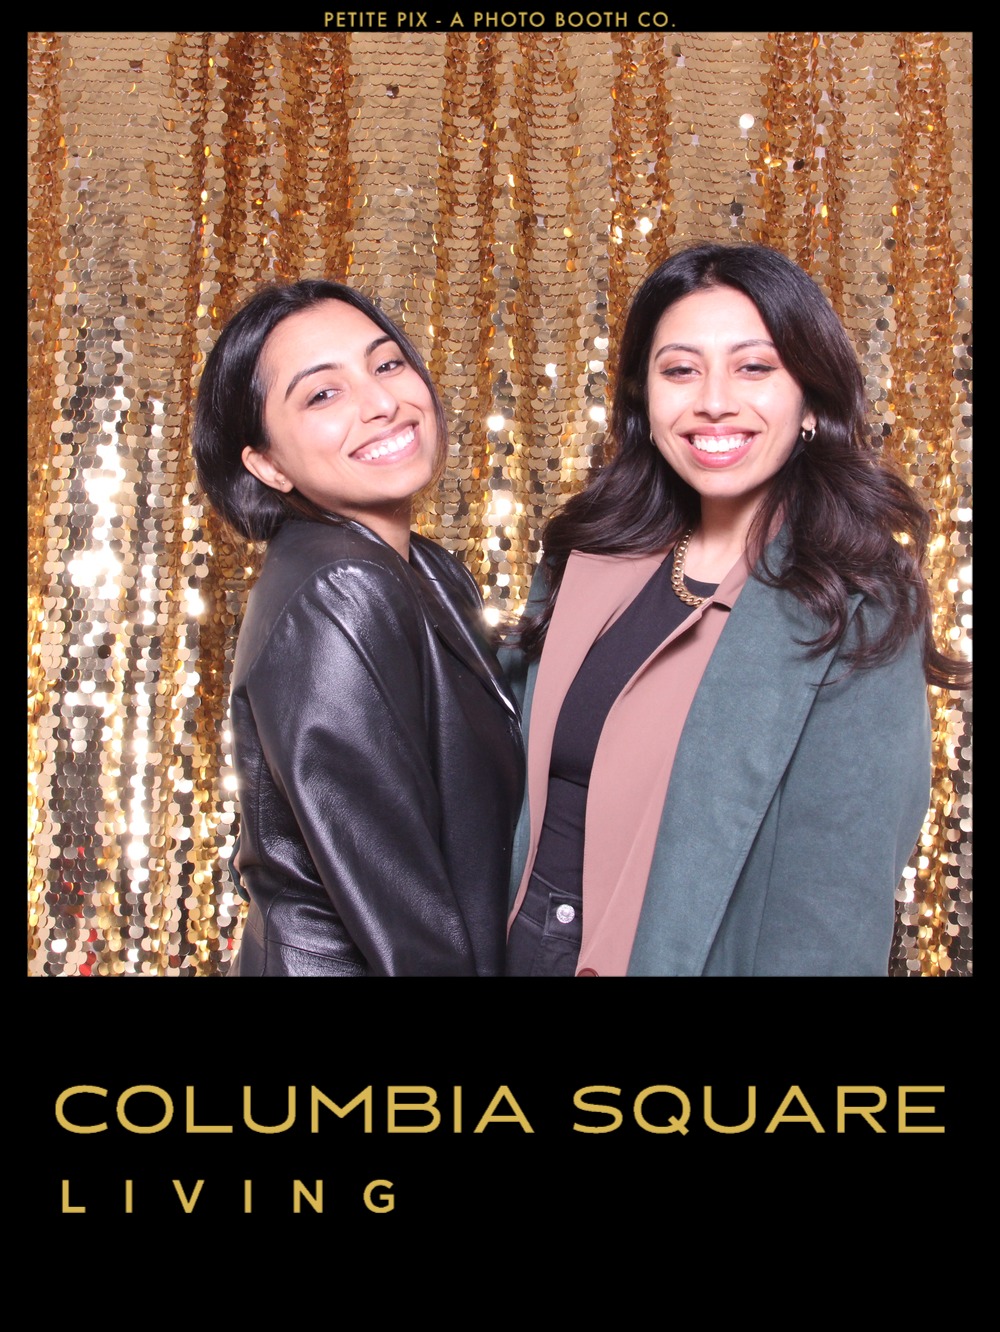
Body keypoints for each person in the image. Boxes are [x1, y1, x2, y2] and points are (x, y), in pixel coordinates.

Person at [505, 242, 968, 977]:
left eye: (754, 367)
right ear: (644, 397)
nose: (714, 400)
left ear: (810, 399)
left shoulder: (857, 601)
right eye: (680, 370)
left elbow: (832, 911)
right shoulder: (588, 549)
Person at [194, 280, 524, 976]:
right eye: (322, 394)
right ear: (267, 464)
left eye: (387, 364)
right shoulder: (341, 588)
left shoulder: (422, 567)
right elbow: (403, 915)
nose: (381, 403)